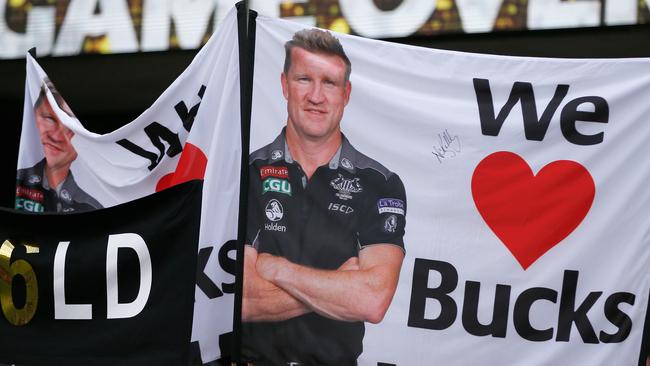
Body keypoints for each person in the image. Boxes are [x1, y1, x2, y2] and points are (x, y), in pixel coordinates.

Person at [242, 28, 407, 365]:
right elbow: (241, 300)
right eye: (304, 79)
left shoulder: (380, 183)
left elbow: (372, 301)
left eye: (329, 83)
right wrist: (340, 286)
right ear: (285, 84)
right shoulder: (246, 174)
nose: (316, 97)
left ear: (346, 94)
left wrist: (275, 269)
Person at [15, 79, 102, 213]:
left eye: (69, 128)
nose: (55, 136)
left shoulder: (91, 207)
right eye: (49, 119)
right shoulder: (17, 181)